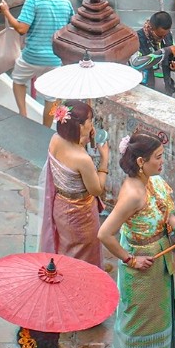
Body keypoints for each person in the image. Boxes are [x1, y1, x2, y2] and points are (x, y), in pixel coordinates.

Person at [97, 131, 175, 348]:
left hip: (157, 263)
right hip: (141, 267)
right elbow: (105, 233)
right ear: (141, 161)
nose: (163, 161)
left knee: (150, 318)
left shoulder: (153, 181)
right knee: (138, 321)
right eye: (158, 157)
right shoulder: (132, 194)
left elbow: (165, 212)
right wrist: (130, 260)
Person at [0, 0, 75, 127]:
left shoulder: (33, 0)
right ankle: (45, 129)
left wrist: (6, 11)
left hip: (32, 57)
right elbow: (71, 31)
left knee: (18, 80)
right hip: (55, 60)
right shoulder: (66, 3)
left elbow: (21, 29)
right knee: (51, 97)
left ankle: (23, 114)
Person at [40, 101, 109, 267]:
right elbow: (96, 189)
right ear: (79, 126)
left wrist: (84, 139)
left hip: (61, 207)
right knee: (84, 253)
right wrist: (105, 160)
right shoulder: (82, 158)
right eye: (89, 121)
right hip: (80, 213)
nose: (92, 124)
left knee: (65, 246)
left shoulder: (55, 139)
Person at [130, 11, 175, 97]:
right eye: (160, 36)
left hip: (166, 89)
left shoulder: (167, 35)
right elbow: (136, 64)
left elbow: (170, 59)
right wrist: (164, 51)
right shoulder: (136, 39)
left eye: (166, 34)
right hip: (145, 91)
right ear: (151, 28)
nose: (163, 38)